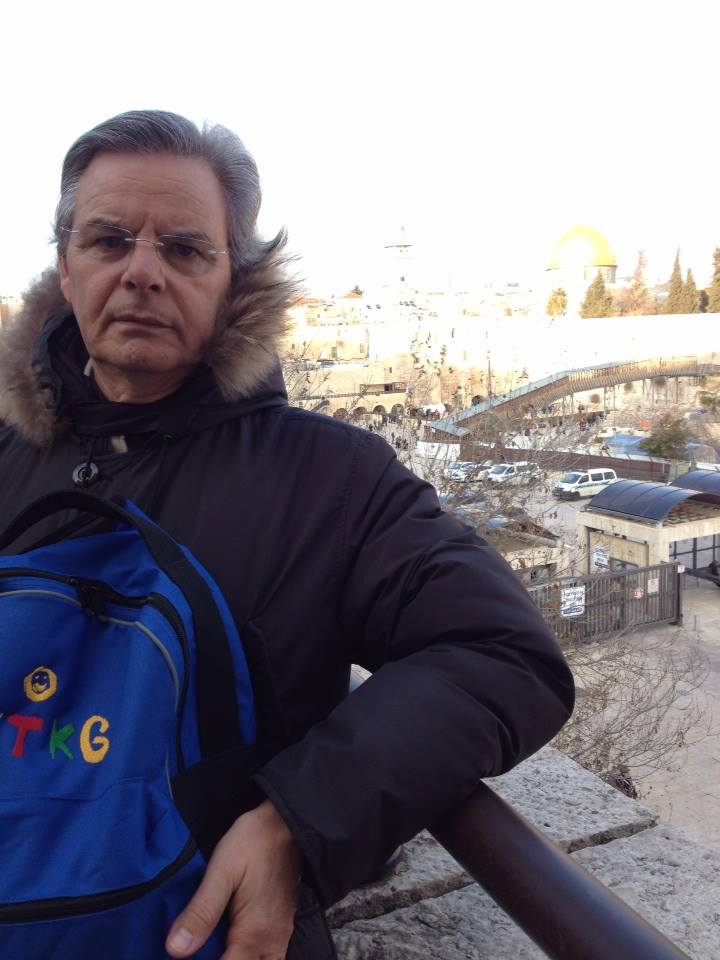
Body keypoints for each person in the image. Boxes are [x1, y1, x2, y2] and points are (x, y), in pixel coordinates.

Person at [0, 110, 574, 960]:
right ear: (65, 263)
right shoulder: (9, 454)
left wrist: (297, 822)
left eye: (185, 250)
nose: (142, 272)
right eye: (110, 240)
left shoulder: (330, 480)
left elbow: (506, 654)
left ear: (236, 280)